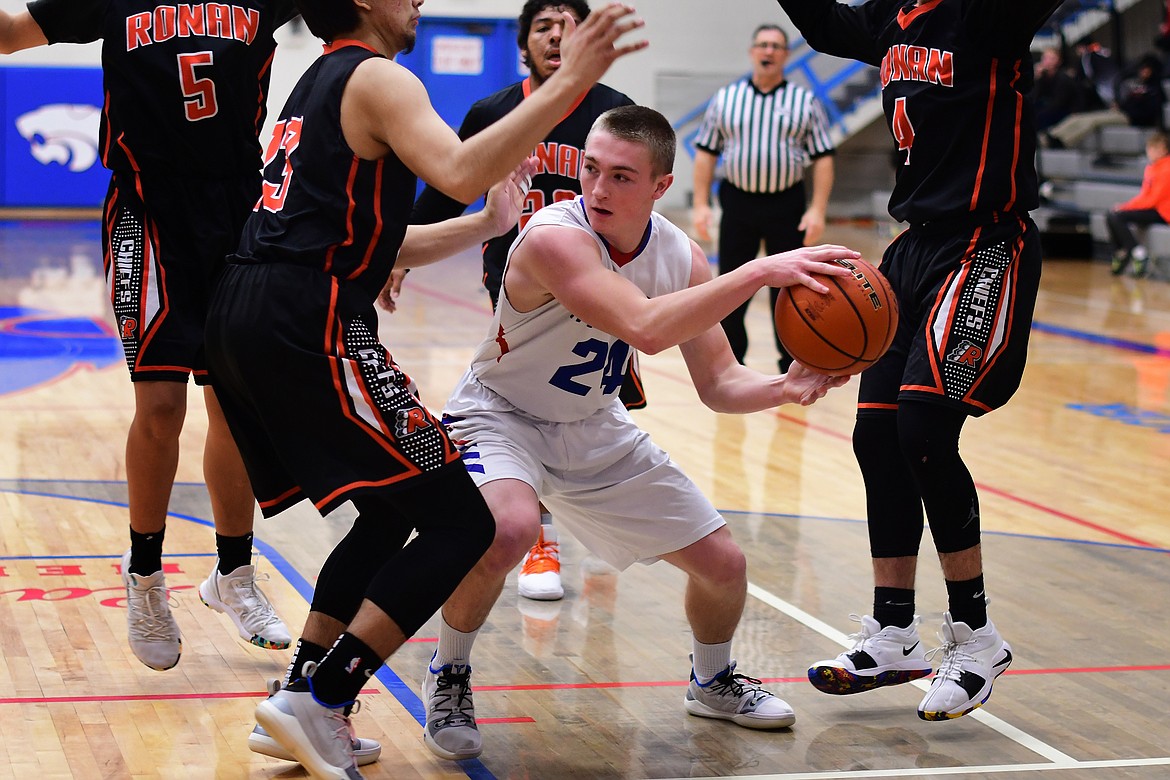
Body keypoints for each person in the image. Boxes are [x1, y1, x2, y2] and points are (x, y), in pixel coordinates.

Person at [202, 1, 646, 775]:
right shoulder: (378, 75)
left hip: (246, 312)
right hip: (304, 318)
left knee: (386, 512)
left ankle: (302, 695)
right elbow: (459, 169)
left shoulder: (320, 80)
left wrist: (482, 226)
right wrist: (574, 78)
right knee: (462, 522)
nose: (417, 3)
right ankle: (324, 698)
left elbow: (382, 237)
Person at [420, 104, 859, 762]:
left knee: (724, 565)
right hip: (502, 413)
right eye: (591, 170)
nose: (597, 189)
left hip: (593, 425)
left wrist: (783, 387)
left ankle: (711, 681)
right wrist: (762, 270)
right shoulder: (552, 236)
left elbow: (717, 383)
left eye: (621, 177)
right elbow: (646, 328)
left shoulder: (679, 254)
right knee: (508, 529)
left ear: (660, 185)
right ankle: (449, 672)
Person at [775, 0, 1061, 721]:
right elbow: (820, 25)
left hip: (986, 240)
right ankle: (894, 631)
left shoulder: (984, 15)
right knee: (876, 434)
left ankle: (977, 635)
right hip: (911, 251)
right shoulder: (892, 17)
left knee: (925, 430)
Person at [0, 0, 295, 673]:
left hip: (238, 209)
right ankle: (144, 576)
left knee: (235, 407)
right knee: (161, 406)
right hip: (147, 208)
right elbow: (13, 35)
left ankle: (234, 575)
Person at [410, 0, 637, 605]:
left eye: (569, 26)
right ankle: (540, 537)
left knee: (593, 404)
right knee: (525, 407)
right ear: (523, 43)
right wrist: (399, 252)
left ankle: (594, 522)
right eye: (544, 26)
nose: (557, 36)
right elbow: (445, 192)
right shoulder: (493, 113)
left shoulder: (617, 113)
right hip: (517, 287)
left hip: (597, 285)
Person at [691, 23, 836, 374]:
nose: (769, 51)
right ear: (752, 51)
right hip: (738, 204)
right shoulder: (726, 99)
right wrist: (700, 204)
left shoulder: (805, 101)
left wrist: (817, 210)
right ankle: (730, 365)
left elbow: (823, 158)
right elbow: (707, 154)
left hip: (785, 205)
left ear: (786, 55)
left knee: (789, 290)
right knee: (731, 286)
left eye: (776, 46)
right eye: (763, 45)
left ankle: (791, 364)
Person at [1107, 130, 1170, 277]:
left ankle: (1136, 254)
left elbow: (1153, 200)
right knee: (1112, 214)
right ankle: (1123, 252)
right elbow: (1145, 196)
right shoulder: (1151, 168)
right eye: (1150, 148)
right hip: (1154, 209)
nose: (1151, 152)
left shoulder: (1166, 169)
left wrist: (1125, 207)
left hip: (1163, 212)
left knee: (1117, 216)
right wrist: (1124, 206)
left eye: (1155, 148)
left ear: (1163, 149)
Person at [1032, 46, 1082, 133]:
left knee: (1041, 115)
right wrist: (1037, 79)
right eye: (1045, 58)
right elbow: (1034, 96)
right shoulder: (1042, 77)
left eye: (1052, 58)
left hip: (1065, 110)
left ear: (1059, 61)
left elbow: (1058, 103)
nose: (1048, 61)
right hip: (1049, 106)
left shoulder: (1063, 78)